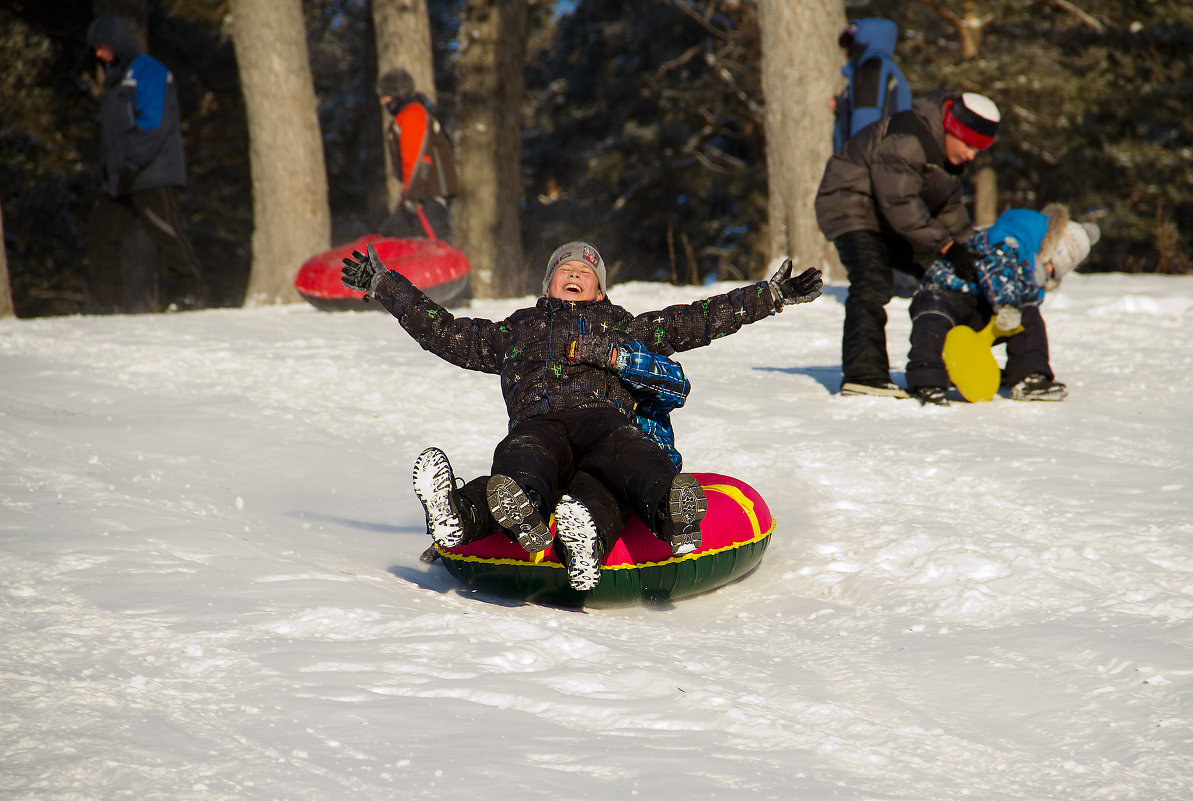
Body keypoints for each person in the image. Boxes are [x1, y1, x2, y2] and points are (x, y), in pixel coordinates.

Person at [341, 240, 822, 588]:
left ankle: (672, 510)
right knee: (523, 457)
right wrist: (386, 286)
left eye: (585, 272)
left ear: (599, 291)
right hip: (540, 422)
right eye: (564, 269)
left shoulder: (624, 327)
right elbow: (445, 332)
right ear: (547, 284)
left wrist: (769, 297)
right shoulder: (516, 330)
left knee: (630, 456)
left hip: (603, 421)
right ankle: (469, 514)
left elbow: (694, 319)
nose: (574, 274)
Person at [413, 339, 691, 591]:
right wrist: (381, 282)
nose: (575, 278)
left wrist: (616, 357)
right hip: (554, 448)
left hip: (610, 452)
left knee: (607, 482)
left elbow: (677, 381)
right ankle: (460, 515)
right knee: (521, 469)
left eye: (588, 277)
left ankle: (662, 513)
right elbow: (446, 331)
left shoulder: (622, 338)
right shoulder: (529, 335)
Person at [815, 90, 1001, 398]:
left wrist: (973, 254)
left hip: (888, 219)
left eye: (978, 150)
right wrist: (946, 246)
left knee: (948, 281)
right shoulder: (909, 137)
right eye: (969, 145)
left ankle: (952, 359)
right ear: (953, 131)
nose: (971, 155)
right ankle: (864, 376)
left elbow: (950, 213)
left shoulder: (947, 160)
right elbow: (900, 202)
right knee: (872, 283)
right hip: (851, 205)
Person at [906, 204, 1100, 405]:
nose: (1048, 274)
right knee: (934, 316)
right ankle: (926, 379)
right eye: (1052, 268)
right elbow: (998, 261)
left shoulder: (1030, 270)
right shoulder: (1019, 230)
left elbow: (1023, 299)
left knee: (1028, 313)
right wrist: (1007, 306)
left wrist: (1018, 304)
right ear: (1053, 250)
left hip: (982, 306)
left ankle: (1029, 376)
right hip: (947, 291)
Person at [85, 14, 206, 313]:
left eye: (102, 47)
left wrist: (132, 164)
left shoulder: (148, 71)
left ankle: (190, 292)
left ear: (117, 42)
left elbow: (154, 122)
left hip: (150, 171)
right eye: (96, 49)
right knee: (102, 234)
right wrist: (114, 171)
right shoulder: (115, 79)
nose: (99, 54)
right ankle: (107, 303)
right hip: (120, 177)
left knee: (165, 230)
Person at [376, 68, 458, 241]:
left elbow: (419, 158)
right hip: (419, 197)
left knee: (437, 248)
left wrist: (414, 196)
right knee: (388, 239)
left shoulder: (412, 115)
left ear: (398, 94)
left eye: (386, 96)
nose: (383, 102)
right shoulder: (409, 115)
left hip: (426, 198)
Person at [830, 18, 912, 153]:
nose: (845, 54)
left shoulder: (871, 71)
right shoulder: (888, 70)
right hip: (889, 162)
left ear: (861, 45)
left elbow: (864, 129)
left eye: (850, 47)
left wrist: (854, 168)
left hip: (868, 165)